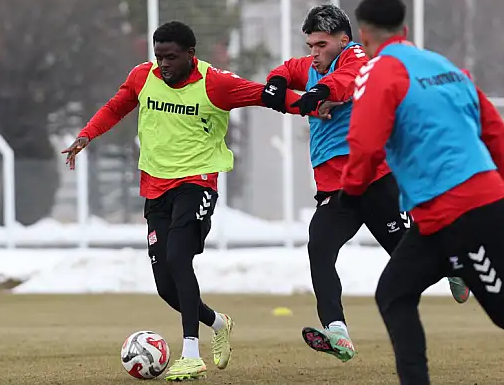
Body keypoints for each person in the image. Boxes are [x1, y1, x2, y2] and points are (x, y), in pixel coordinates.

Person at [62, 21, 328, 381]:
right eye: (159, 57)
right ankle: (219, 323)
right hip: (155, 187)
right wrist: (85, 135)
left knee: (178, 258)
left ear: (191, 54)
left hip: (197, 183)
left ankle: (191, 353)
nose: (164, 65)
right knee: (165, 286)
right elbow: (115, 107)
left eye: (171, 57)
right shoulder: (144, 76)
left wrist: (313, 106)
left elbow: (264, 96)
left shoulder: (215, 83)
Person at [260, 4, 469, 363]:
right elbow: (284, 72)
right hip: (333, 188)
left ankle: (456, 265)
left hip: (374, 181)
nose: (313, 52)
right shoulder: (311, 65)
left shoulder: (356, 59)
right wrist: (278, 85)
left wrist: (315, 96)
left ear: (343, 40)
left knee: (407, 257)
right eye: (310, 44)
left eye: (321, 45)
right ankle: (337, 331)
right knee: (319, 248)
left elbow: (345, 83)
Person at [340, 0, 504, 384]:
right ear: (405, 28)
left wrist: (351, 191)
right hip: (438, 217)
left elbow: (365, 144)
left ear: (364, 33)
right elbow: (494, 131)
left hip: (464, 213)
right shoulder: (444, 66)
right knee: (394, 293)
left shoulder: (378, 71)